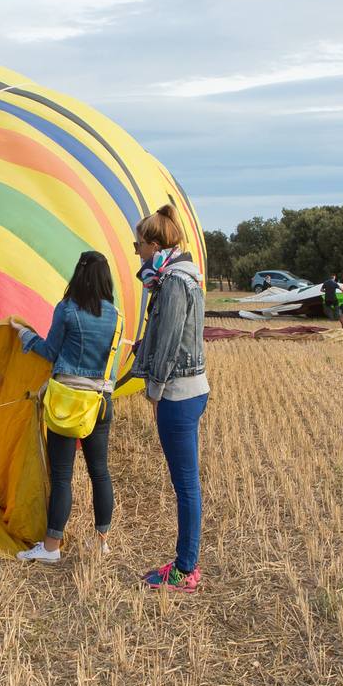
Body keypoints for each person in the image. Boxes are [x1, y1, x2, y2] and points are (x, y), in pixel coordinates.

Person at [15, 251, 122, 564]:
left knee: (62, 476)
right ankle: (101, 541)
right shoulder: (116, 315)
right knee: (99, 472)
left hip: (67, 402)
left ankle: (51, 547)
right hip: (101, 403)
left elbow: (49, 351)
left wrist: (25, 336)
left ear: (78, 275)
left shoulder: (67, 310)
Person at [131, 206, 208, 592]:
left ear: (155, 245)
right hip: (188, 390)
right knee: (186, 483)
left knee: (186, 485)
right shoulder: (180, 277)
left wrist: (155, 388)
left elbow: (170, 340)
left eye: (138, 246)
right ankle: (185, 561)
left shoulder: (175, 283)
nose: (137, 254)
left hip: (179, 392)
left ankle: (185, 569)